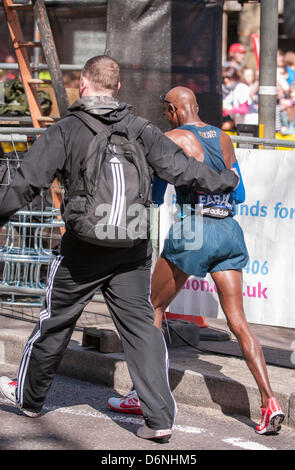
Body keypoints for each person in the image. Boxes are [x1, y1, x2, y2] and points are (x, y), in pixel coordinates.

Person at [0, 56, 239, 443]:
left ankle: (29, 398)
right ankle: (159, 419)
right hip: (132, 244)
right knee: (141, 328)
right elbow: (181, 169)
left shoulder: (66, 129)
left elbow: (26, 183)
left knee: (55, 321)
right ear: (118, 89)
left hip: (83, 247)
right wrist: (224, 180)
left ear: (83, 84)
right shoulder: (141, 128)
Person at [107, 86, 285, 436]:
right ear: (197, 107)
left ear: (173, 110)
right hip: (228, 230)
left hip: (194, 231)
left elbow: (156, 194)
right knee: (238, 322)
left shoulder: (170, 137)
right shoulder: (223, 137)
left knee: (151, 308)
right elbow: (241, 192)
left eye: (165, 112)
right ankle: (269, 403)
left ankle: (144, 395)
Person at [222, 65, 250, 129]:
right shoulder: (225, 89)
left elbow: (244, 109)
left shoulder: (241, 88)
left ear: (234, 77)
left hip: (247, 124)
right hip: (236, 123)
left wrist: (230, 109)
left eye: (228, 77)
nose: (225, 80)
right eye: (223, 77)